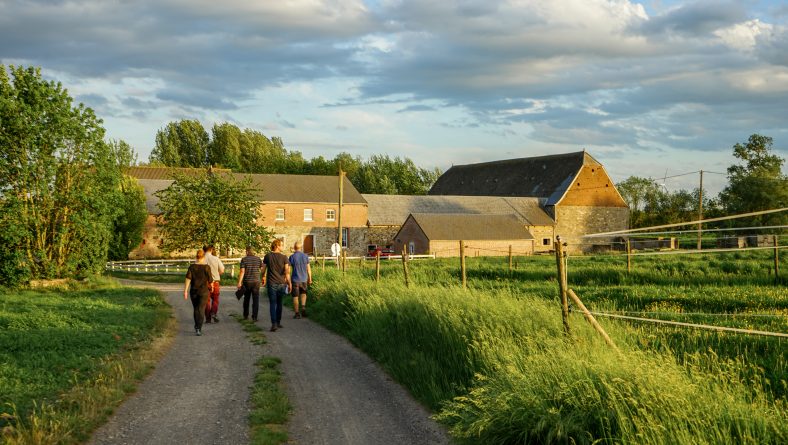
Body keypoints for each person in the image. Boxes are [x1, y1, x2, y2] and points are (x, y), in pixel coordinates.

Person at [262, 239, 291, 332]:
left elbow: (263, 269)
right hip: (281, 283)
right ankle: (278, 322)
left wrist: (262, 277)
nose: (283, 247)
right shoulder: (284, 258)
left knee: (272, 304)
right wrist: (289, 283)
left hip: (271, 283)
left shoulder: (268, 256)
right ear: (277, 246)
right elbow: (287, 272)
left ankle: (273, 323)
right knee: (279, 303)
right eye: (281, 245)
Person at [184, 249, 212, 336]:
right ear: (203, 257)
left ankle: (197, 327)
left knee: (196, 309)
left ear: (196, 257)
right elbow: (210, 280)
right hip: (204, 291)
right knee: (201, 309)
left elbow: (188, 278)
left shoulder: (192, 267)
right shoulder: (207, 267)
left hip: (193, 291)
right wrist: (212, 286)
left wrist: (185, 290)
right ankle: (199, 327)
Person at [237, 246, 263, 321]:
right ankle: (254, 317)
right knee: (256, 299)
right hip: (256, 282)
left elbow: (242, 271)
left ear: (247, 251)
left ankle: (245, 315)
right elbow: (262, 270)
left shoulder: (244, 259)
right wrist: (263, 277)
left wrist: (239, 282)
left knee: (246, 299)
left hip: (247, 282)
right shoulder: (258, 259)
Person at [289, 241, 312, 319]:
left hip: (295, 279)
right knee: (303, 294)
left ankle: (297, 313)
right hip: (304, 279)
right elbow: (308, 269)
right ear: (301, 247)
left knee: (295, 296)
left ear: (294, 247)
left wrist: (287, 280)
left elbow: (288, 270)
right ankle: (303, 308)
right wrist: (310, 279)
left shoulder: (292, 257)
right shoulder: (305, 256)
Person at [203, 244, 225, 324]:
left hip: (205, 282)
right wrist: (216, 274)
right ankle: (213, 312)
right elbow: (222, 270)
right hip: (215, 281)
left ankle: (208, 319)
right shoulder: (216, 258)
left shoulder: (201, 259)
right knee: (215, 299)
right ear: (211, 250)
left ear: (204, 250)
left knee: (207, 300)